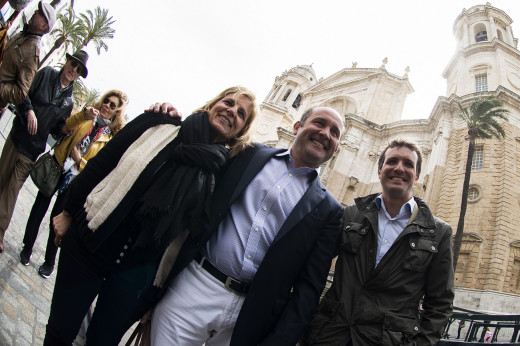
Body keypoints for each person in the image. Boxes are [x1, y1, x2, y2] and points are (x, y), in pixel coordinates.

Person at [45, 86, 258, 346]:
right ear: (213, 104)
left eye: (241, 114)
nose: (231, 111)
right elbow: (103, 164)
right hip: (90, 243)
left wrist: (157, 296)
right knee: (58, 332)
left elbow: (191, 239)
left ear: (241, 132)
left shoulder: (220, 176)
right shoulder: (160, 123)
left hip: (136, 277)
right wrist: (67, 211)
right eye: (228, 102)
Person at [150, 106, 345, 345]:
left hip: (252, 316)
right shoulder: (248, 153)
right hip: (193, 288)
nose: (326, 133)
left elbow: (309, 288)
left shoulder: (330, 210)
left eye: (334, 132)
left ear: (336, 148)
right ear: (297, 126)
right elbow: (203, 145)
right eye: (319, 123)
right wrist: (165, 115)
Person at [303, 139, 454, 346]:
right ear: (380, 170)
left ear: (417, 175)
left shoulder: (439, 232)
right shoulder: (350, 215)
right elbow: (313, 267)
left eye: (408, 164)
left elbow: (440, 303)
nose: (399, 168)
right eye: (392, 161)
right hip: (329, 336)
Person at [19, 90, 128, 278]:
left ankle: (49, 261)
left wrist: (80, 161)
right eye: (106, 101)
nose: (107, 106)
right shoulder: (87, 116)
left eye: (112, 106)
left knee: (58, 219)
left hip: (75, 180)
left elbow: (98, 168)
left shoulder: (109, 138)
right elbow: (67, 126)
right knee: (39, 208)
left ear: (116, 113)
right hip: (58, 166)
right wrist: (82, 116)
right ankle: (27, 247)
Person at [0, 50, 87, 253]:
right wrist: (29, 110)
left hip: (32, 150)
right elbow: (24, 94)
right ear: (67, 62)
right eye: (73, 64)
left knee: (12, 190)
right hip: (16, 137)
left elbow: (56, 130)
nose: (73, 70)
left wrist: (65, 129)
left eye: (78, 69)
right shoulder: (46, 73)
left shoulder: (69, 102)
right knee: (2, 180)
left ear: (79, 75)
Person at [0, 0, 56, 109]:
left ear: (44, 26)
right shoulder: (22, 35)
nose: (35, 12)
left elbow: (20, 94)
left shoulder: (32, 54)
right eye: (38, 10)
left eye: (40, 13)